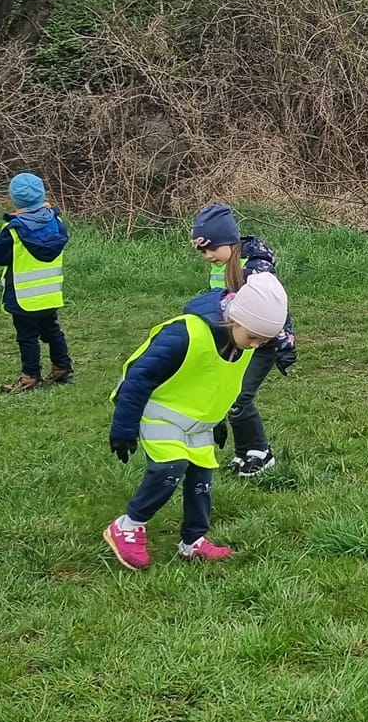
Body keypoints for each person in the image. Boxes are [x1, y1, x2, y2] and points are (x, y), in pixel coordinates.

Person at [103, 272, 291, 570]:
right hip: (160, 414)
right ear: (235, 318)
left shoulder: (242, 343)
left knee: (202, 479)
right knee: (170, 468)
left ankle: (192, 541)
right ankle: (128, 525)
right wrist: (124, 428)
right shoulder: (184, 334)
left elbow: (217, 382)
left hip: (198, 424)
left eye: (263, 340)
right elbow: (138, 377)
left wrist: (218, 420)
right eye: (253, 336)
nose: (255, 345)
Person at [189, 203, 297, 478]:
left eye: (212, 248)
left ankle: (262, 453)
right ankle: (243, 454)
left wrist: (285, 343)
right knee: (230, 397)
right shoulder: (223, 265)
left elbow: (277, 306)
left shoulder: (256, 268)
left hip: (262, 344)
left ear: (229, 241)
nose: (208, 256)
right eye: (203, 251)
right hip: (237, 341)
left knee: (240, 398)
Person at [0, 172, 71, 393]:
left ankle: (30, 377)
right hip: (50, 293)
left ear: (14, 199)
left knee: (27, 337)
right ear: (42, 194)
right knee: (52, 330)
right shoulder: (56, 222)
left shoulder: (13, 229)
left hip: (23, 296)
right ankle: (62, 368)